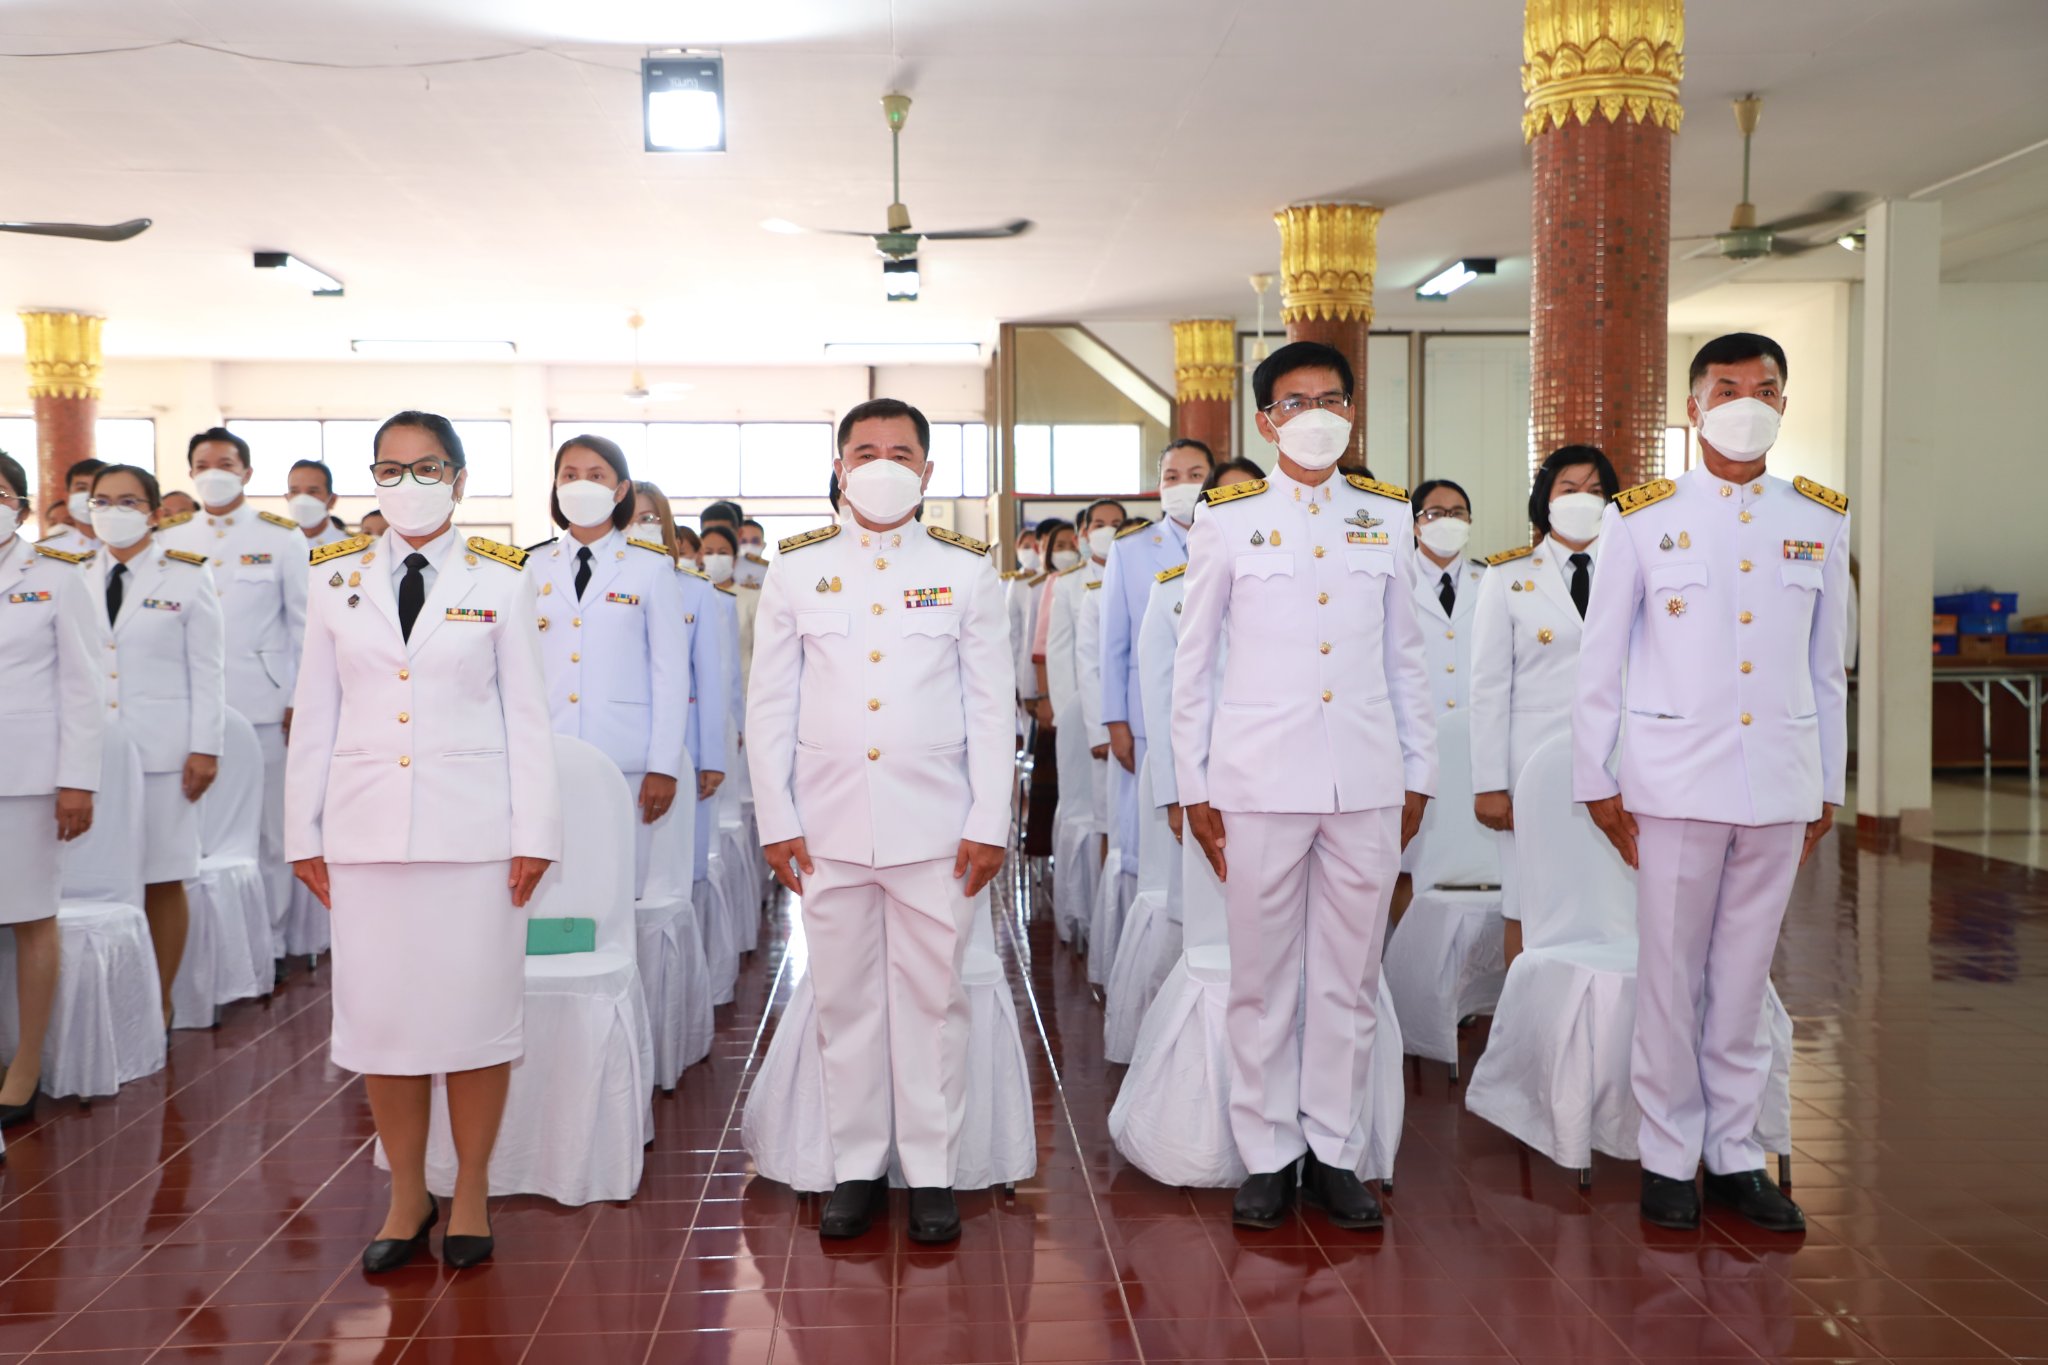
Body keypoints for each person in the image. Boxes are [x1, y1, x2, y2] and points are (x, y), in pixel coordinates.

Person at [1575, 333, 1848, 1235]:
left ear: (1783, 402)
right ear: (1692, 407)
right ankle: (1666, 1155)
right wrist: (1596, 776)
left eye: (1765, 387)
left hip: (1777, 780)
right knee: (1669, 972)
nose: (1747, 400)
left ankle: (1734, 1154)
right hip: (1673, 782)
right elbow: (1600, 657)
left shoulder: (1817, 516)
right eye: (1726, 387)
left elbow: (1826, 670)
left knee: (1744, 977)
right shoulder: (1642, 515)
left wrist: (1827, 784)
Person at [1171, 340, 1435, 1231]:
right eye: (1294, 401)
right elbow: (1193, 663)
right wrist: (1194, 783)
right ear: (1265, 419)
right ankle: (1266, 1154)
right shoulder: (1227, 520)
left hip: (1365, 780)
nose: (1314, 413)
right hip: (1257, 781)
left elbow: (1410, 660)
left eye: (1330, 397)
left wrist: (1420, 775)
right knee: (1262, 976)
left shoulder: (1387, 516)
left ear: (1353, 410)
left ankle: (1334, 1150)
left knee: (1349, 978)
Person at [286, 411, 559, 1273]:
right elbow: (315, 714)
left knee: (475, 1017)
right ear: (373, 480)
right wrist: (304, 833)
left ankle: (470, 1185)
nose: (409, 484)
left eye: (427, 467)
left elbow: (528, 717)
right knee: (384, 1023)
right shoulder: (333, 579)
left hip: (475, 835)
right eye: (391, 469)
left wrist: (535, 832)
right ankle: (408, 1192)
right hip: (365, 835)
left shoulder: (504, 578)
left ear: (460, 478)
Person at [749, 397, 1010, 1245]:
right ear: (838, 466)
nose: (883, 463)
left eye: (902, 451)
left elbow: (990, 706)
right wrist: (777, 818)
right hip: (825, 829)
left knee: (933, 1000)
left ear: (928, 473)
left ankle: (931, 1171)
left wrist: (991, 819)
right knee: (845, 997)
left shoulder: (968, 570)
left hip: (936, 827)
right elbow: (769, 707)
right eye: (866, 450)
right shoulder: (795, 569)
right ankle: (857, 1165)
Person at [161, 427, 310, 976]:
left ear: (247, 472)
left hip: (263, 704)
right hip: (193, 710)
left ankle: (267, 942)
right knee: (196, 830)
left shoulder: (281, 536)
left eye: (225, 462)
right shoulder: (173, 537)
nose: (214, 472)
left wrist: (298, 698)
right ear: (191, 472)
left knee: (269, 830)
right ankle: (204, 950)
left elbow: (306, 627)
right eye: (202, 463)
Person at [1468, 447, 1618, 962]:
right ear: (1545, 499)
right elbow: (1488, 687)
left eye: (1596, 491)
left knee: (1612, 902)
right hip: (1530, 773)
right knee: (1528, 905)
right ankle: (1528, 1035)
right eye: (1569, 489)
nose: (1584, 500)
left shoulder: (1632, 570)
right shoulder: (1507, 576)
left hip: (1617, 766)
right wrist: (1489, 783)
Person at [88, 464, 225, 1026]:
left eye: (127, 501)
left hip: (165, 753)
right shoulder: (68, 571)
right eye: (102, 500)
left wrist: (205, 748)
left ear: (152, 511)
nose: (112, 511)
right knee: (100, 877)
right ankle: (106, 1007)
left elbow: (208, 669)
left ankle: (160, 1006)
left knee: (164, 876)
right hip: (90, 756)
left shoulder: (187, 574)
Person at [528, 436, 690, 897]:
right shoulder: (529, 566)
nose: (581, 485)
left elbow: (670, 674)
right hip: (547, 752)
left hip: (628, 759)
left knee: (619, 888)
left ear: (620, 491)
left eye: (596, 476)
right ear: (556, 489)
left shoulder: (650, 569)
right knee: (553, 887)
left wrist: (664, 765)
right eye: (569, 475)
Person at [0, 451, 103, 1125]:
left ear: (21, 505)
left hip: (27, 777)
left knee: (32, 918)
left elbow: (83, 684)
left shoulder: (57, 576)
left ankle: (26, 1064)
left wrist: (77, 781)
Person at [1101, 440, 1212, 921]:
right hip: (1149, 717)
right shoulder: (1130, 549)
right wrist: (1115, 721)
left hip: (1218, 714)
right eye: (1172, 476)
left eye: (1195, 474)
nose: (1183, 485)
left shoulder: (1234, 537)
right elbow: (1113, 643)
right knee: (1147, 844)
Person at [1042, 500, 1125, 946]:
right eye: (1100, 524)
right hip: (1083, 715)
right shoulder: (1070, 584)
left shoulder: (1142, 572)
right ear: (1083, 534)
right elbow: (1060, 652)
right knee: (1090, 816)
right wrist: (1076, 718)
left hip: (1130, 716)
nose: (1108, 531)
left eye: (1116, 524)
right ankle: (1088, 917)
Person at [36, 457, 107, 555]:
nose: (90, 495)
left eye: (97, 488)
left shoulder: (129, 548)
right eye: (82, 488)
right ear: (67, 495)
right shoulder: (46, 552)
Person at [287, 458, 352, 550]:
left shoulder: (350, 546)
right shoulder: (274, 544)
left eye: (312, 492)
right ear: (287, 498)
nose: (302, 500)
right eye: (295, 491)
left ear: (332, 500)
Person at [734, 518, 770, 588]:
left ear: (763, 545)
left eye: (755, 541)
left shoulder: (773, 571)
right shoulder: (727, 572)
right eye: (743, 541)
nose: (749, 545)